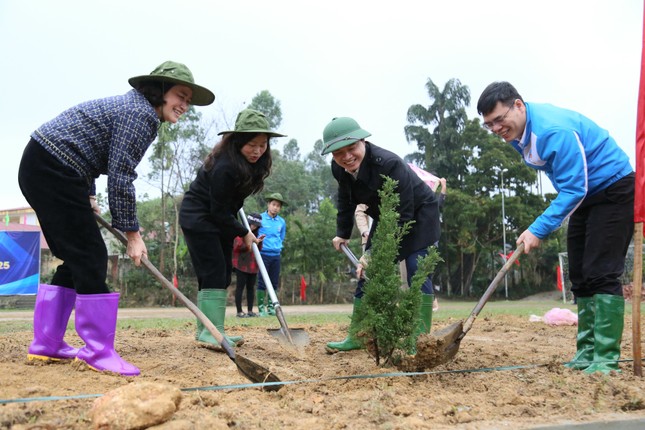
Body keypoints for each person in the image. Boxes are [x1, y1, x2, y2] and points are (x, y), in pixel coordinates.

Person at [18, 61, 215, 376]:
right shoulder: (140, 115)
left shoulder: (134, 108)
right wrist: (133, 235)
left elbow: (90, 150)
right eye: (181, 95)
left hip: (47, 165)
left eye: (189, 100)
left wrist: (88, 194)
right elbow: (121, 175)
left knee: (76, 257)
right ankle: (97, 350)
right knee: (92, 256)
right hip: (52, 169)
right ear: (161, 91)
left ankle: (47, 343)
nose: (185, 106)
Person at [477, 82, 634, 374]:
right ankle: (587, 353)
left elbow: (575, 187)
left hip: (612, 188)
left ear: (519, 106)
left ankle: (606, 359)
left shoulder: (552, 130)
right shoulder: (518, 136)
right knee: (580, 274)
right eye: (489, 125)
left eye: (500, 119)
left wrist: (538, 228)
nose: (497, 128)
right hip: (586, 195)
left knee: (601, 271)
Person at [321, 117, 441, 352]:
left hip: (418, 214)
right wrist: (342, 233)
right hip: (387, 215)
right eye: (338, 152)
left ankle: (419, 340)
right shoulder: (340, 169)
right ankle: (358, 335)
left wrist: (374, 252)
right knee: (366, 272)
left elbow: (402, 214)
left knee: (417, 269)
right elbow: (345, 201)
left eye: (351, 148)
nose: (346, 157)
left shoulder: (389, 164)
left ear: (363, 141)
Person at [179, 109, 284, 348]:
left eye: (263, 145)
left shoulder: (250, 164)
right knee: (213, 271)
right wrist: (244, 232)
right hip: (200, 217)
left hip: (218, 218)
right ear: (237, 142)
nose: (257, 151)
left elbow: (229, 205)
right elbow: (218, 211)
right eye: (251, 145)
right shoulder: (224, 166)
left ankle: (208, 330)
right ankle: (211, 333)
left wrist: (241, 230)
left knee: (223, 272)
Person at [256, 192, 288, 317]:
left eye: (278, 206)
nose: (275, 207)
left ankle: (270, 308)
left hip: (276, 255)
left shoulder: (281, 222)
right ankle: (261, 309)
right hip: (263, 254)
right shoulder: (261, 218)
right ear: (268, 204)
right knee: (262, 282)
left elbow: (281, 237)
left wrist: (276, 246)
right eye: (273, 204)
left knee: (274, 282)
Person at [233, 212, 265, 318]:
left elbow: (259, 250)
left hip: (253, 266)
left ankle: (250, 310)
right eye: (252, 224)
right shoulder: (240, 231)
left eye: (256, 225)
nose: (253, 227)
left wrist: (259, 242)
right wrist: (250, 244)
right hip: (241, 265)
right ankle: (239, 311)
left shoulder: (256, 235)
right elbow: (237, 246)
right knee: (240, 287)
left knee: (251, 288)